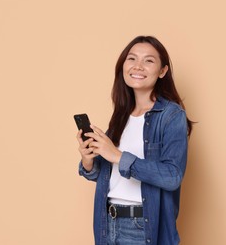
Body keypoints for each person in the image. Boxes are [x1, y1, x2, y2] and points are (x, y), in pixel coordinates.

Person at [76, 35, 193, 245]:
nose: (138, 66)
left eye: (148, 61)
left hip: (141, 227)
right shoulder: (121, 114)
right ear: (123, 65)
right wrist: (89, 160)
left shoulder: (171, 115)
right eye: (132, 59)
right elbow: (107, 174)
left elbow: (172, 176)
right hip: (106, 222)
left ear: (162, 71)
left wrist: (118, 156)